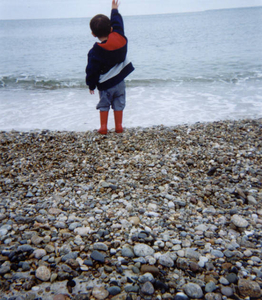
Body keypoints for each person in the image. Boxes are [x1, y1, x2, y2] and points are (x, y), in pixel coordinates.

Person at [85, 0, 134, 134]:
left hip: (105, 84)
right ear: (111, 29)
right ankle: (119, 126)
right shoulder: (120, 38)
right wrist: (114, 10)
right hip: (120, 82)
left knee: (104, 104)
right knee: (119, 102)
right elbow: (118, 23)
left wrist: (91, 84)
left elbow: (92, 70)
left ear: (93, 34)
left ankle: (103, 127)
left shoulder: (95, 51)